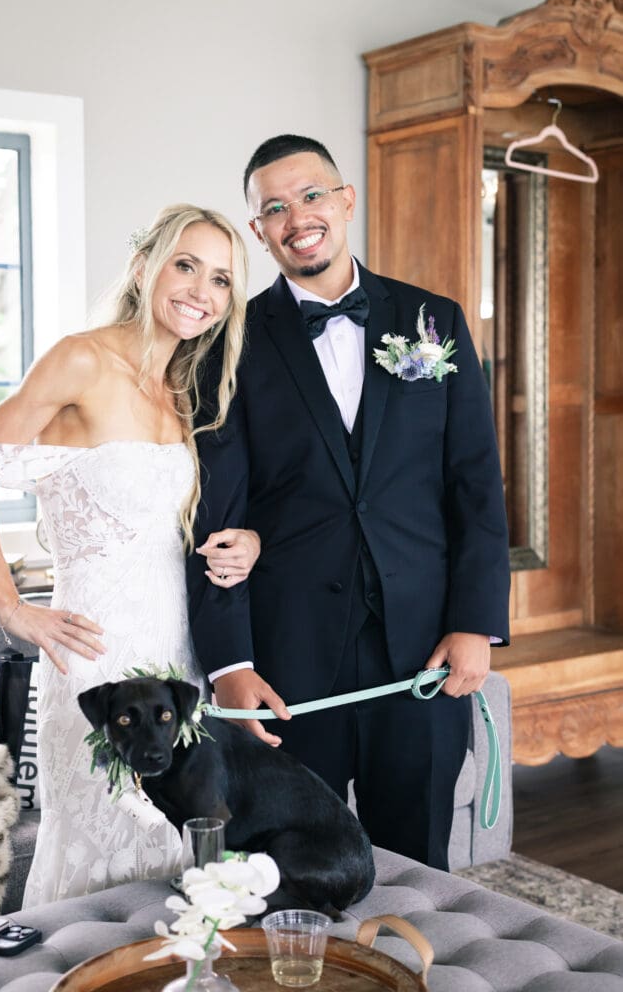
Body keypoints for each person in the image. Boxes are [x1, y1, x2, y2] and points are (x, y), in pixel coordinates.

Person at [186, 136, 510, 871]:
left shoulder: (436, 321)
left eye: (309, 196)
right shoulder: (225, 347)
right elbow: (215, 521)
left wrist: (474, 625)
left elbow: (474, 486)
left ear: (344, 201)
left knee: (417, 865)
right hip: (289, 659)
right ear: (256, 231)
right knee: (283, 867)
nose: (296, 216)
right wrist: (229, 663)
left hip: (421, 652)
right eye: (273, 207)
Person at [0, 203, 260, 906]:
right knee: (100, 836)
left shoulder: (186, 386)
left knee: (175, 840)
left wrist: (249, 543)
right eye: (185, 265)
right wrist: (9, 604)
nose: (200, 292)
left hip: (178, 656)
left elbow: (193, 520)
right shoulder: (80, 358)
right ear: (145, 265)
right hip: (92, 650)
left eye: (220, 280)